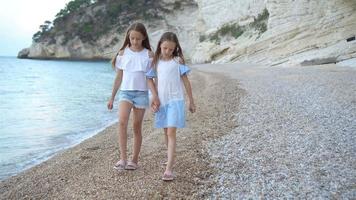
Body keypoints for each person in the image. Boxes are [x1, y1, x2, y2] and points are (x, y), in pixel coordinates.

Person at [146, 32, 196, 181]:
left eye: (170, 49)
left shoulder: (177, 61)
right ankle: (170, 158)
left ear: (175, 49)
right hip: (162, 102)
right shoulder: (156, 62)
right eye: (165, 48)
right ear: (160, 45)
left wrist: (191, 101)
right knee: (166, 131)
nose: (167, 51)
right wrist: (154, 97)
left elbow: (186, 82)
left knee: (171, 132)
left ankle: (169, 169)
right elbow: (150, 80)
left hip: (176, 100)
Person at [107, 22, 153, 170]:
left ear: (143, 37)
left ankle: (134, 160)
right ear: (128, 37)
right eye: (132, 38)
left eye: (138, 39)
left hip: (141, 94)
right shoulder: (122, 53)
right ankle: (122, 159)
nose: (134, 41)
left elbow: (150, 79)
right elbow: (119, 77)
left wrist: (157, 97)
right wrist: (112, 97)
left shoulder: (148, 55)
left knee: (136, 126)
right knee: (121, 122)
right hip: (125, 92)